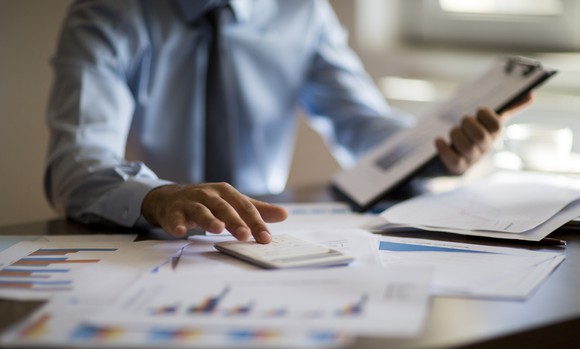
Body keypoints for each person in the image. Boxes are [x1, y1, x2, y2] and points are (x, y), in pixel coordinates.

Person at [44, 0, 531, 244]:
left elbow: (362, 125)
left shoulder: (303, 10)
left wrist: (439, 151)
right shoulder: (107, 13)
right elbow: (77, 164)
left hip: (266, 241)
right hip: (153, 240)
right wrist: (157, 195)